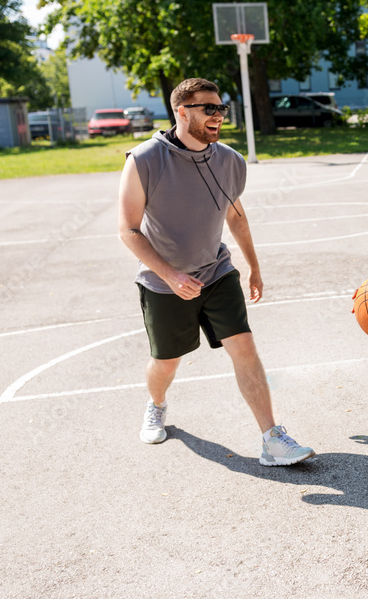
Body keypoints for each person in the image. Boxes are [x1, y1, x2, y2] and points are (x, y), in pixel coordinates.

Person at [118, 77, 314, 467]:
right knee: (166, 362)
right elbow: (128, 231)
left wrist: (254, 266)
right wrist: (171, 275)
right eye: (208, 108)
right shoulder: (143, 160)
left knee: (244, 347)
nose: (218, 116)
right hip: (164, 282)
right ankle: (156, 405)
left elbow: (235, 217)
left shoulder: (229, 160)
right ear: (181, 112)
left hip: (217, 271)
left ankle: (272, 439)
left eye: (221, 108)